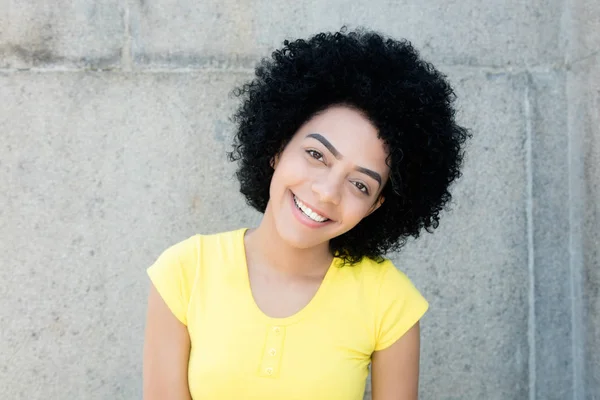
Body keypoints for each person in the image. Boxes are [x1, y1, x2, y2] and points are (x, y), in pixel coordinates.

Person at [143, 28, 469, 400]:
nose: (327, 192)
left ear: (377, 205)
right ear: (279, 146)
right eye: (316, 155)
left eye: (360, 185)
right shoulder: (185, 271)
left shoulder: (390, 302)